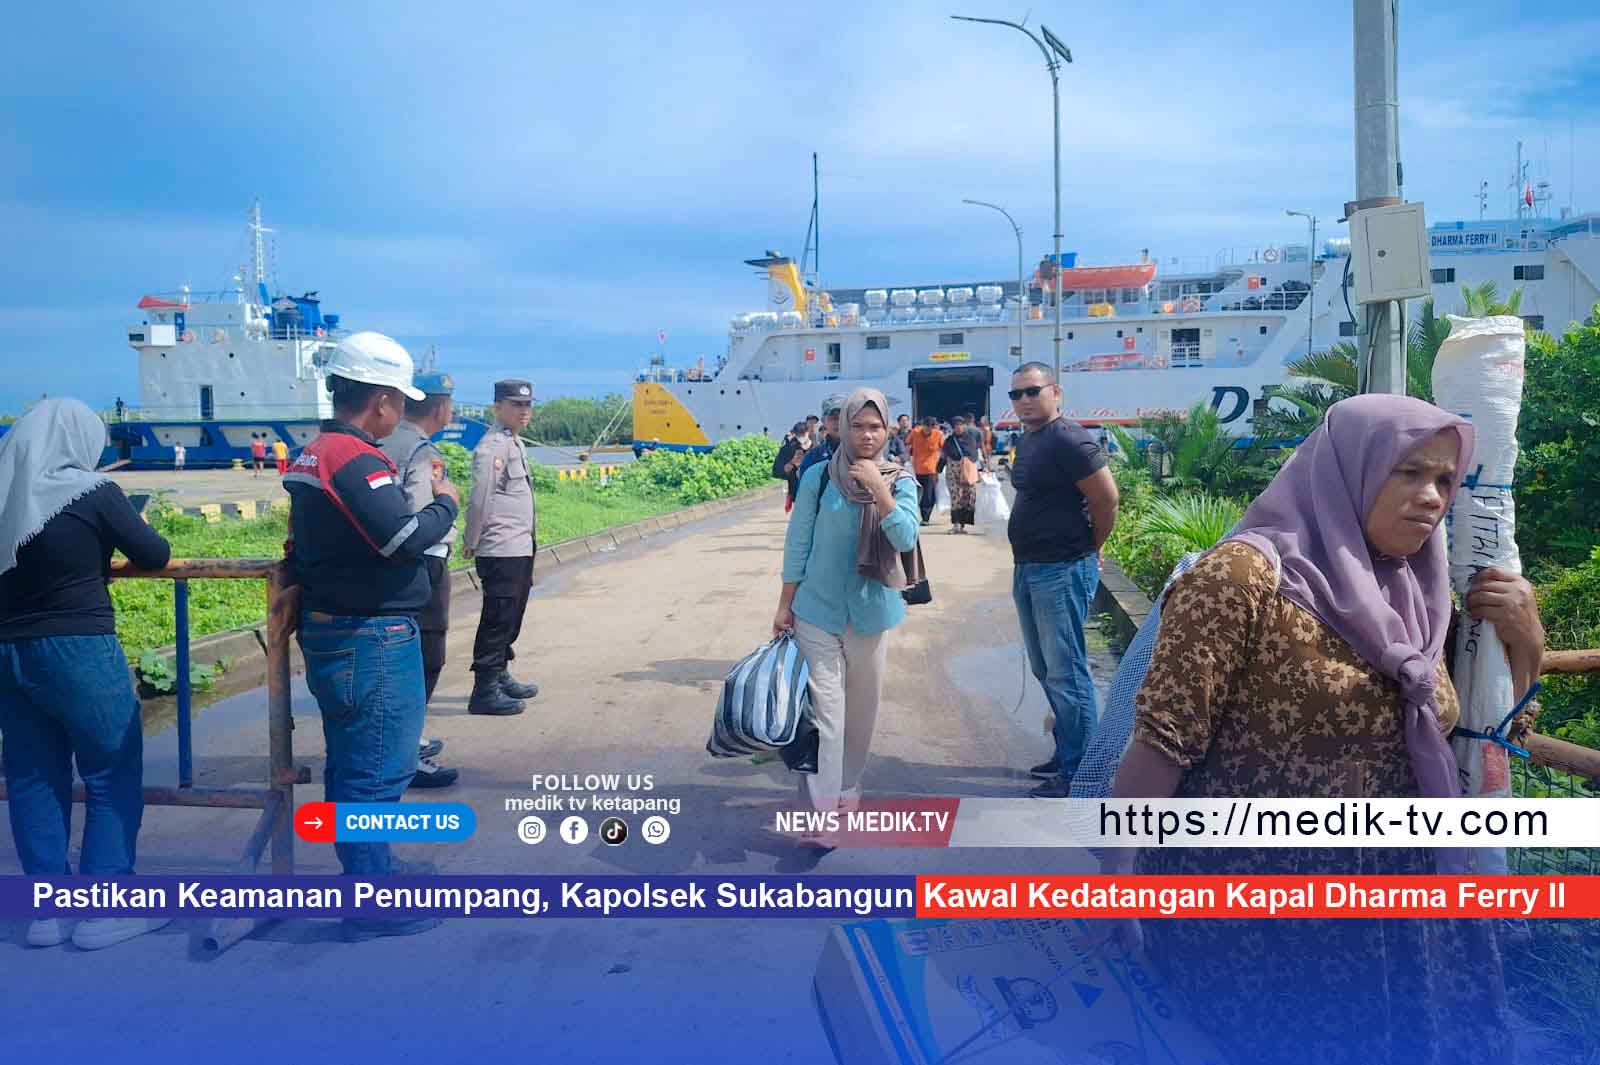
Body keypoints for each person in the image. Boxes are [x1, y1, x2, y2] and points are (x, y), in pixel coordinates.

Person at [1100, 394, 1547, 1065]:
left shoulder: (1421, 595)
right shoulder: (1243, 578)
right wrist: (1117, 883)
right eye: (1409, 472)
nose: (1431, 497)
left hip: (1406, 903)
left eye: (1445, 481)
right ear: (1351, 467)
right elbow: (1164, 740)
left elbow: (1490, 727)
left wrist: (1527, 641)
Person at [283, 333, 458, 940]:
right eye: (399, 403)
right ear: (381, 400)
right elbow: (400, 537)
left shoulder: (314, 453)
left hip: (342, 629)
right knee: (377, 772)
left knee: (355, 764)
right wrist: (446, 502)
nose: (400, 415)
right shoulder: (351, 456)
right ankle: (371, 898)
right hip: (371, 635)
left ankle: (372, 868)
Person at [0, 399, 173, 951]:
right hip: (77, 646)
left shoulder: (6, 493)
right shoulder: (91, 492)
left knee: (32, 778)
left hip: (8, 651)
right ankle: (106, 906)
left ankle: (47, 911)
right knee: (110, 770)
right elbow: (153, 554)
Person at [775, 388, 920, 819]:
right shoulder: (818, 477)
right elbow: (798, 542)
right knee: (826, 713)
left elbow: (906, 537)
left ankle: (849, 783)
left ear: (888, 429)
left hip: (872, 613)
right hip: (817, 610)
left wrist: (880, 490)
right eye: (857, 426)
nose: (866, 435)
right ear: (843, 427)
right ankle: (822, 808)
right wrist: (785, 605)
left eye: (875, 427)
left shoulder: (901, 479)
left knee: (862, 710)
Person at [1006, 362, 1120, 798]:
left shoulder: (1070, 438)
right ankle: (1068, 751)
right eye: (1016, 395)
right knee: (1046, 668)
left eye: (1032, 391)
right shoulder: (1032, 439)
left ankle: (1084, 773)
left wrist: (1092, 546)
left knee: (1067, 672)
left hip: (1061, 568)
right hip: (1031, 567)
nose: (1023, 401)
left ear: (1056, 392)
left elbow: (1107, 498)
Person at [378, 370, 461, 790]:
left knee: (396, 660)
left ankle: (397, 744)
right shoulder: (422, 451)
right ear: (442, 407)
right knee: (426, 659)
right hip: (424, 564)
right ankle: (404, 753)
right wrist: (449, 502)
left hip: (386, 568)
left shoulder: (382, 441)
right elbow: (420, 514)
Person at [464, 379, 539, 716]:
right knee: (497, 617)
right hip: (500, 547)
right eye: (516, 405)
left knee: (512, 615)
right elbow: (480, 498)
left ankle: (500, 673)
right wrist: (472, 539)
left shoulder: (514, 442)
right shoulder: (492, 447)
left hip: (519, 545)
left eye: (527, 405)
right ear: (498, 407)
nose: (524, 411)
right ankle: (484, 689)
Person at [941, 414, 984, 533]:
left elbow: (975, 454)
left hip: (967, 471)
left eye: (961, 425)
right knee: (955, 497)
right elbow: (943, 456)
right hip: (953, 471)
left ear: (965, 426)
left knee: (968, 497)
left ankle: (963, 524)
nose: (958, 428)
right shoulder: (949, 440)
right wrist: (937, 470)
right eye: (956, 426)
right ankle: (956, 524)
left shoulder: (970, 439)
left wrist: (982, 468)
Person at [797, 393, 847, 480]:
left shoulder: (864, 453)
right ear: (824, 421)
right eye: (834, 418)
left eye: (843, 417)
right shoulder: (813, 457)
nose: (839, 422)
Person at [906, 416, 945, 525]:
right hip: (916, 469)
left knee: (928, 494)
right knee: (918, 493)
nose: (928, 430)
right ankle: (920, 514)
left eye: (931, 427)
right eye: (926, 427)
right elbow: (907, 444)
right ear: (922, 425)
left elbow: (944, 449)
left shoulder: (938, 434)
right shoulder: (915, 433)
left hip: (931, 469)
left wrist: (941, 464)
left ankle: (925, 518)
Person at [774, 421, 811, 513]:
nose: (801, 437)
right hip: (797, 491)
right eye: (799, 434)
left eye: (803, 433)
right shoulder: (788, 449)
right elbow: (779, 471)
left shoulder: (817, 447)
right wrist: (793, 462)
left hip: (816, 489)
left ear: (808, 432)